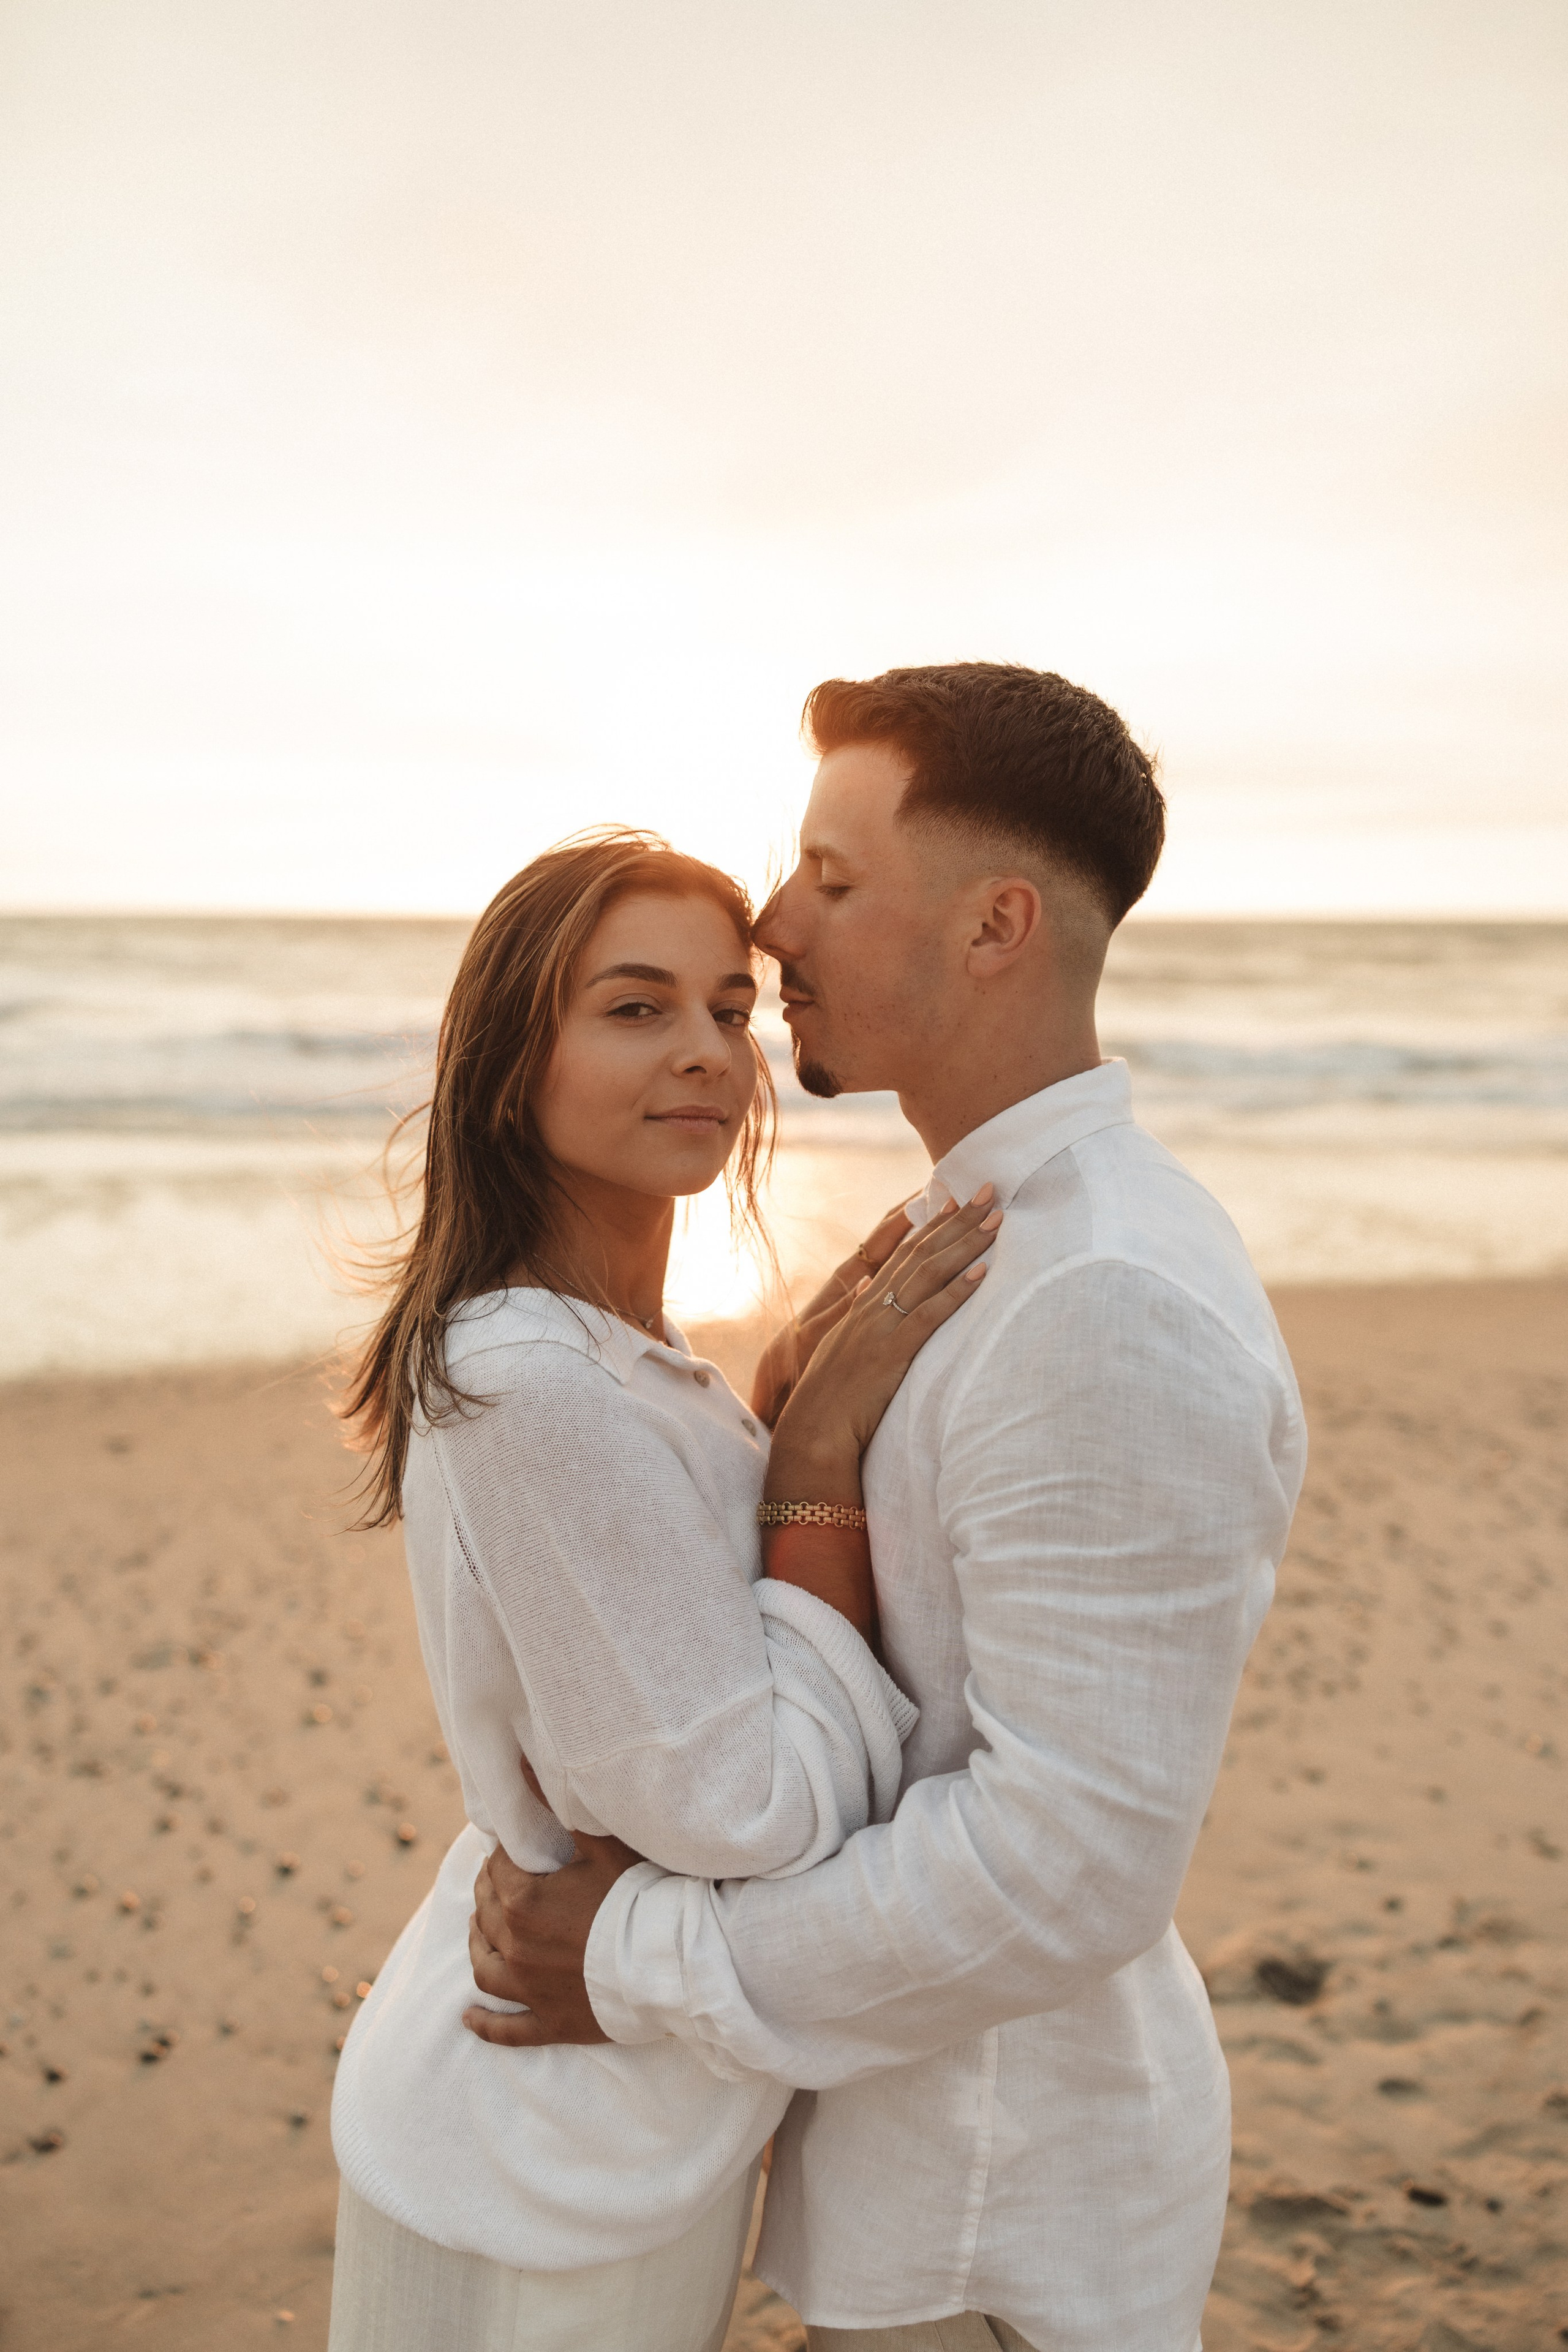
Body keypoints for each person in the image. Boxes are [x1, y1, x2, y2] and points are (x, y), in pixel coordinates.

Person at [465, 665, 1309, 2352]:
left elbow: (1065, 1866)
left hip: (1001, 2217)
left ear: (996, 927)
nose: (776, 924)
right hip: (922, 2167)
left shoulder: (1104, 1299)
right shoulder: (977, 1239)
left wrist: (635, 1961)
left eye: (833, 882)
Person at [326, 827, 1000, 2352]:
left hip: (611, 2102)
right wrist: (815, 1451)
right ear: (512, 1065)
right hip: (542, 2152)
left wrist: (765, 1404)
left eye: (729, 1009)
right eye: (634, 1008)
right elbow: (748, 1812)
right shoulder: (527, 1374)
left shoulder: (629, 1360)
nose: (704, 1051)